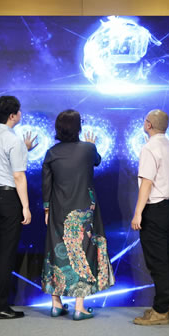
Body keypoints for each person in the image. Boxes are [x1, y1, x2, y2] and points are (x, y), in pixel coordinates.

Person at [41, 110, 115, 320]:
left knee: (56, 250)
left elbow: (46, 184)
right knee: (84, 251)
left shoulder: (51, 153)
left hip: (58, 209)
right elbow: (97, 161)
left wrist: (46, 209)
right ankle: (79, 307)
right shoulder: (88, 149)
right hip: (85, 209)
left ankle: (56, 304)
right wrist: (92, 144)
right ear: (78, 128)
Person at [0, 95, 36, 320]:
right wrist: (26, 207)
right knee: (6, 252)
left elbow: (1, 162)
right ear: (13, 115)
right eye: (18, 111)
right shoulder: (13, 140)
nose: (20, 114)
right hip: (9, 198)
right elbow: (18, 176)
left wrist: (24, 150)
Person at [132, 109, 169, 326]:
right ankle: (168, 305)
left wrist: (138, 213)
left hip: (155, 209)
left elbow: (147, 183)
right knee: (167, 259)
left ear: (148, 125)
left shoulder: (149, 148)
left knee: (157, 262)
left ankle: (160, 311)